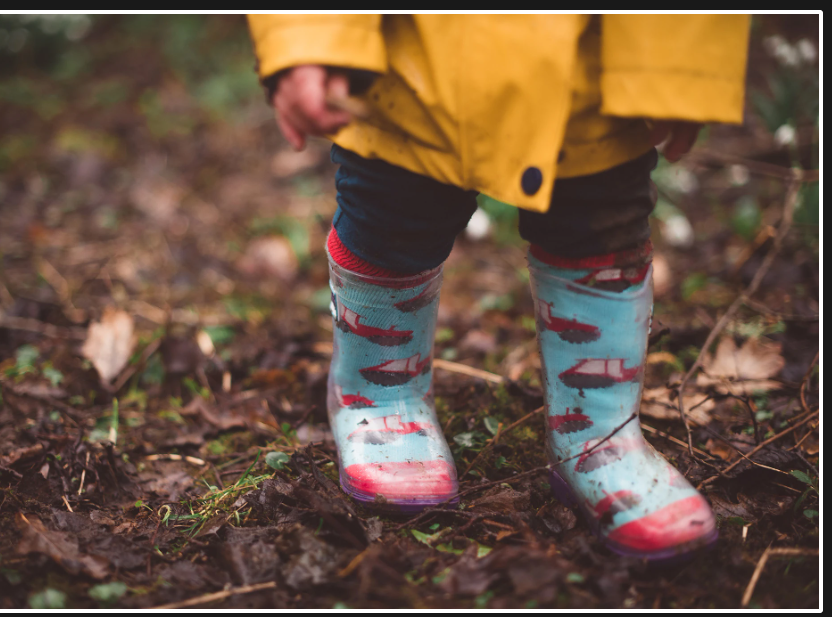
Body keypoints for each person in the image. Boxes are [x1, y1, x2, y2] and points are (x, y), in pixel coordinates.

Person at [247, 14, 750, 561]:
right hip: (408, 67)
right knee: (391, 216)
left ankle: (600, 434)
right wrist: (305, 39)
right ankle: (379, 395)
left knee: (600, 223)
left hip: (594, 71)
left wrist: (679, 68)